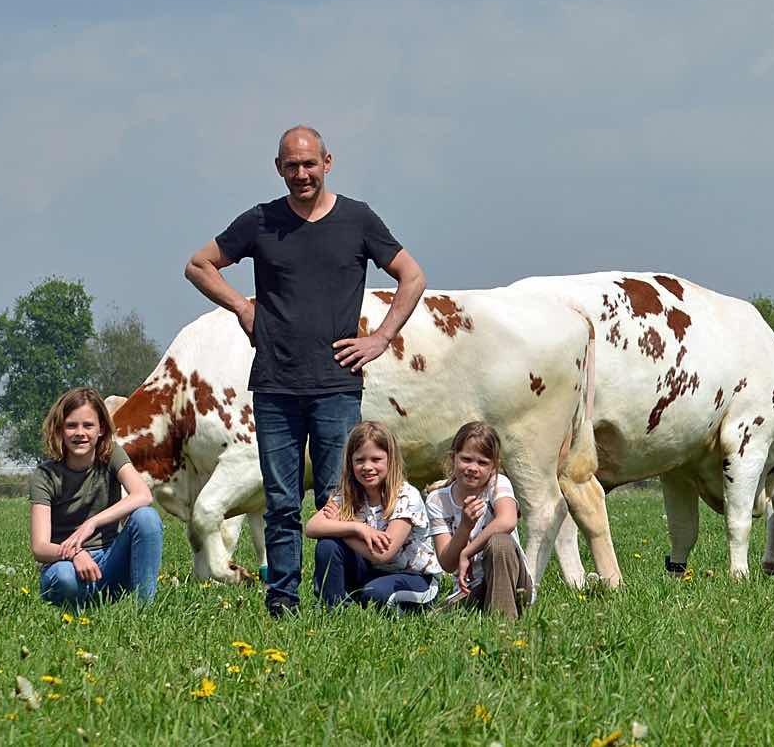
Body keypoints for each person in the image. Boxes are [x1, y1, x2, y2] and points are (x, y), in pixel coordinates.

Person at [185, 124, 426, 616]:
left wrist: (380, 338)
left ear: (327, 163)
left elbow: (412, 275)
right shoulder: (261, 222)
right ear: (279, 168)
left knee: (343, 497)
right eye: (291, 166)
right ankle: (284, 602)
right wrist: (242, 308)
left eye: (309, 164)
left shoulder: (357, 220)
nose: (301, 174)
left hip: (337, 384)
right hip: (275, 383)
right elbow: (199, 265)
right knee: (280, 501)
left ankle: (339, 598)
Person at [28, 387, 163, 608]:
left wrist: (93, 522)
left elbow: (143, 495)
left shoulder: (111, 455)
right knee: (64, 577)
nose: (80, 432)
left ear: (101, 429)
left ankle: (145, 610)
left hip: (110, 561)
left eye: (88, 425)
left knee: (147, 517)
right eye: (71, 425)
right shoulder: (45, 476)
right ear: (60, 430)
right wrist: (75, 554)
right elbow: (40, 547)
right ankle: (79, 603)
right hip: (65, 563)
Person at [306, 421, 439, 610]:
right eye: (360, 460)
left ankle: (369, 600)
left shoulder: (406, 496)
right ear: (350, 463)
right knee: (327, 545)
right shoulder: (348, 493)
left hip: (414, 577)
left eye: (376, 459)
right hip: (369, 571)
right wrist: (357, 527)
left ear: (390, 460)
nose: (367, 467)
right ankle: (332, 607)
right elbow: (312, 527)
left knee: (374, 594)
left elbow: (382, 554)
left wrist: (341, 526)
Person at [427, 422, 531, 619]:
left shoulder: (497, 484)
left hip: (516, 584)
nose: (473, 468)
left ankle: (502, 625)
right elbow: (447, 563)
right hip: (473, 586)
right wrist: (465, 526)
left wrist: (467, 551)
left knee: (500, 542)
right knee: (435, 618)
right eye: (466, 459)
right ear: (453, 458)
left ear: (494, 467)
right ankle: (479, 606)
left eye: (482, 463)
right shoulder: (437, 500)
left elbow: (508, 521)